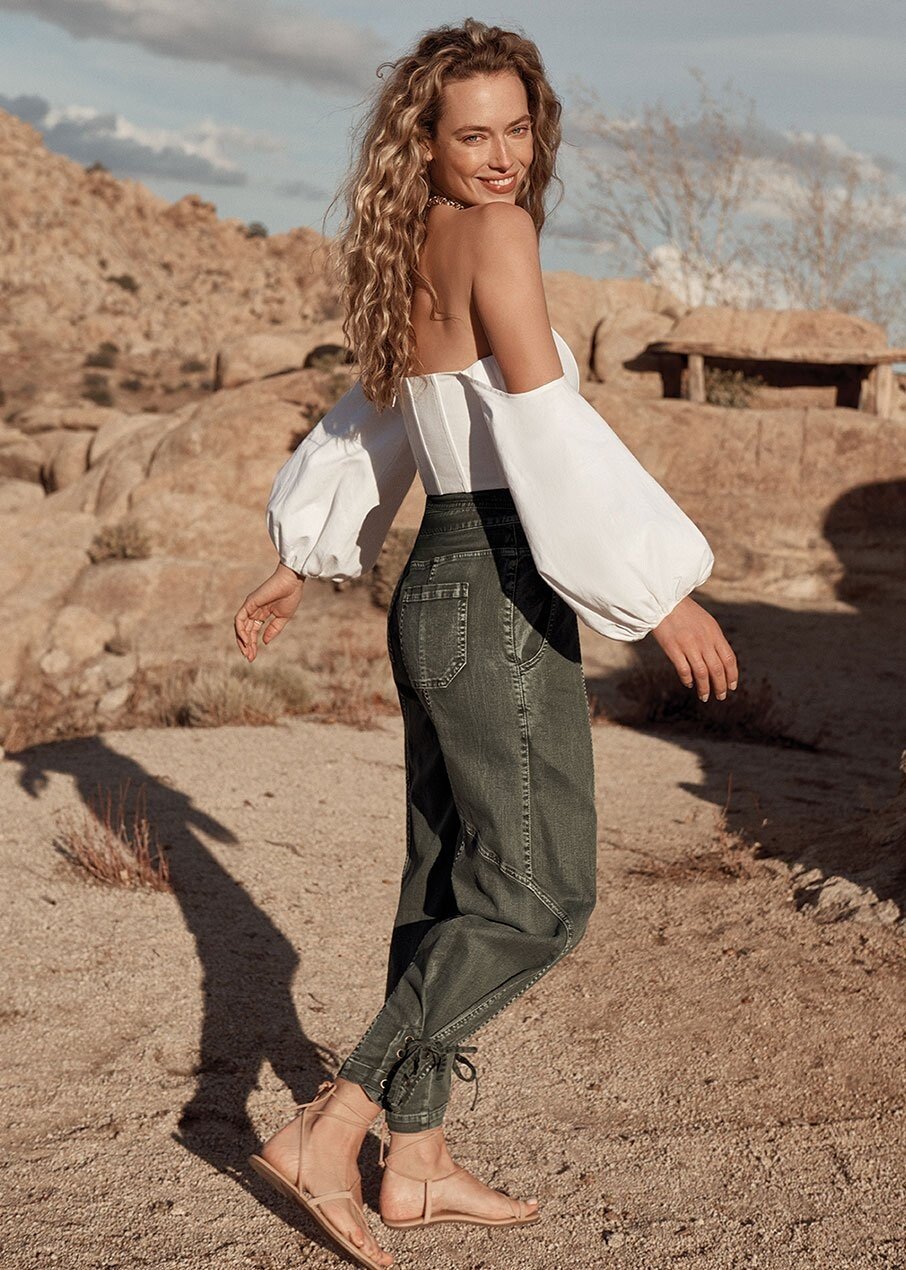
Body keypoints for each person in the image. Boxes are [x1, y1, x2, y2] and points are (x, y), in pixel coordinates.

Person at [233, 19, 738, 1270]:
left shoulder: (410, 244)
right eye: (474, 135)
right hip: (500, 576)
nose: (503, 157)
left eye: (518, 129)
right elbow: (546, 432)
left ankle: (414, 1159)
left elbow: (378, 419)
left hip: (436, 585)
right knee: (540, 892)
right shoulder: (498, 237)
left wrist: (304, 551)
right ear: (425, 140)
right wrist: (657, 593)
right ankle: (335, 1124)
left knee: (448, 880)